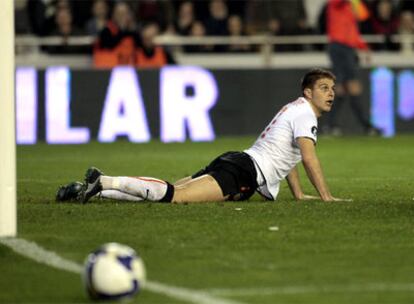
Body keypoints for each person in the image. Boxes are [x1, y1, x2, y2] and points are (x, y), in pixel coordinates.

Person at [56, 69, 350, 204]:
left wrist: (298, 194)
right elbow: (308, 157)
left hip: (239, 162)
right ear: (307, 93)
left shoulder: (295, 109)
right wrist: (326, 197)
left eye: (332, 88)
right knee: (176, 197)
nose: (331, 93)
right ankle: (106, 181)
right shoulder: (305, 114)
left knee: (172, 190)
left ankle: (93, 189)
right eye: (324, 88)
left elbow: (291, 157)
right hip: (244, 170)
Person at [325, 0, 382, 136]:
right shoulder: (335, 4)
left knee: (343, 88)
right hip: (339, 47)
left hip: (347, 49)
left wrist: (364, 47)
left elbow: (354, 30)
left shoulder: (351, 7)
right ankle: (366, 126)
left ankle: (331, 126)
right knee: (349, 86)